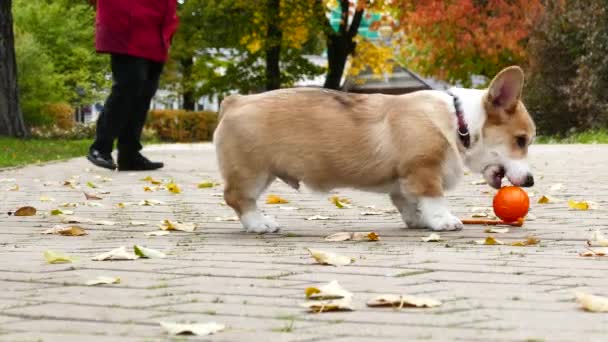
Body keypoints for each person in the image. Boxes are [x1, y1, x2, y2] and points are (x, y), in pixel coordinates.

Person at [87, 0, 179, 170]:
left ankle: (129, 154)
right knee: (129, 85)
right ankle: (101, 147)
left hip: (156, 25)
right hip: (127, 21)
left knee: (145, 90)